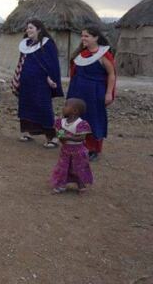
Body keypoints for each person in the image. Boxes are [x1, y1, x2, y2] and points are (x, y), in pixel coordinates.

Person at [67, 26, 116, 161]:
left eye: (86, 36)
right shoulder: (81, 54)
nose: (83, 38)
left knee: (93, 119)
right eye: (82, 36)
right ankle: (77, 145)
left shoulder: (103, 55)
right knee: (77, 118)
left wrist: (108, 93)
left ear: (96, 38)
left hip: (94, 93)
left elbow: (111, 74)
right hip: (77, 90)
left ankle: (93, 149)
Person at [12, 19, 63, 148]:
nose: (28, 30)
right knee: (25, 106)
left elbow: (52, 64)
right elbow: (21, 62)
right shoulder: (26, 44)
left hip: (41, 83)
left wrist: (52, 78)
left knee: (43, 107)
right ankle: (27, 131)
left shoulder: (47, 44)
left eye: (31, 28)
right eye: (27, 28)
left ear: (39, 29)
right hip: (26, 82)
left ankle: (52, 137)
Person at [50, 98, 94, 194]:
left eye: (66, 106)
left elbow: (82, 138)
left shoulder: (81, 124)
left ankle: (81, 185)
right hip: (65, 150)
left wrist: (67, 138)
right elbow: (60, 135)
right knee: (62, 168)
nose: (63, 108)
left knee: (78, 168)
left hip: (78, 151)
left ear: (74, 111)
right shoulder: (61, 122)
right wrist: (61, 137)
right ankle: (61, 184)